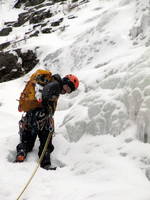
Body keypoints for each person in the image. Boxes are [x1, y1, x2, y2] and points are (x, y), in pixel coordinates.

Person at [15, 70, 79, 170]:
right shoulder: (56, 85)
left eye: (69, 90)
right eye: (67, 87)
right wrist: (46, 109)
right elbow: (45, 93)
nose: (66, 90)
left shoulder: (51, 82)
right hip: (41, 117)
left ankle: (21, 153)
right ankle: (45, 163)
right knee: (46, 141)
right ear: (64, 81)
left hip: (31, 115)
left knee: (28, 140)